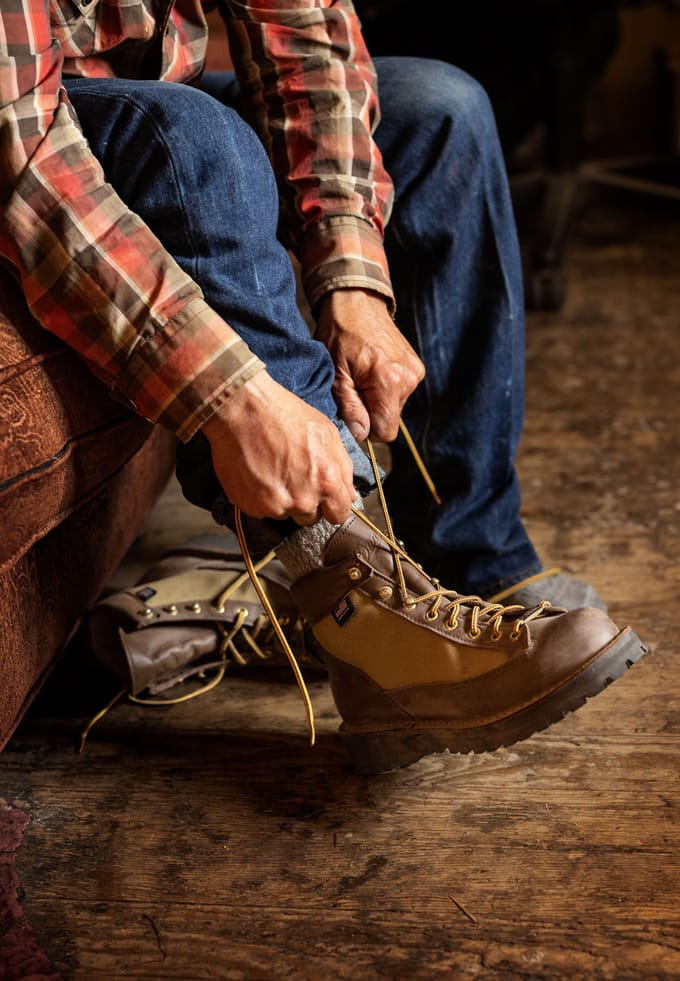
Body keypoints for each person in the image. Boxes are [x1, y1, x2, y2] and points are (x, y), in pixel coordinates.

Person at [1, 0, 645, 773]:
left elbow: (304, 39)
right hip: (29, 124)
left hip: (132, 97)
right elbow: (25, 152)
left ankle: (476, 557)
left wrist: (353, 285)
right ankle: (362, 605)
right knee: (193, 140)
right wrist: (230, 392)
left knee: (444, 111)